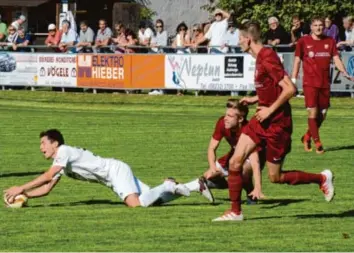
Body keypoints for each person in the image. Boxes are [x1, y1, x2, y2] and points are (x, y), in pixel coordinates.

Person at [213, 21, 335, 222]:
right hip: (261, 121)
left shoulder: (267, 57)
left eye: (239, 39)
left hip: (278, 125)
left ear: (248, 39)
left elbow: (290, 89)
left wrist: (269, 109)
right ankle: (235, 212)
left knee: (275, 177)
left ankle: (321, 178)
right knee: (235, 161)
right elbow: (272, 89)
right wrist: (256, 99)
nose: (238, 43)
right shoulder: (260, 58)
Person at [4, 129, 193, 208]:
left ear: (55, 143)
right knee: (154, 201)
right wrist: (26, 196)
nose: (41, 148)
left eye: (44, 143)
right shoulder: (61, 162)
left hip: (115, 171)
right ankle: (191, 187)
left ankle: (168, 184)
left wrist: (20, 188)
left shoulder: (64, 151)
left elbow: (47, 176)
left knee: (135, 205)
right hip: (112, 176)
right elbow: (46, 188)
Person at [292, 17, 354, 154]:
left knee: (323, 114)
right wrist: (293, 80)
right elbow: (297, 61)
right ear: (311, 27)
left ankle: (307, 137)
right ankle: (318, 143)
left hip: (325, 84)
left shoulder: (330, 41)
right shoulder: (303, 41)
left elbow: (336, 58)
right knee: (313, 112)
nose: (319, 28)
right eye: (316, 25)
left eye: (321, 25)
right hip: (310, 84)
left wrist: (344, 72)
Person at [184, 99, 264, 204]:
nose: (225, 118)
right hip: (235, 154)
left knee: (242, 169)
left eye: (230, 116)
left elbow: (255, 162)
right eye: (225, 114)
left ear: (240, 118)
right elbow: (211, 148)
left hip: (255, 156)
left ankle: (250, 193)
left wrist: (258, 187)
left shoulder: (249, 132)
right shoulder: (222, 122)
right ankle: (175, 189)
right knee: (208, 177)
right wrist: (213, 168)